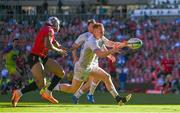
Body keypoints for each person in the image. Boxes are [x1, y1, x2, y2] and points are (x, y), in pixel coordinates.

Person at [55, 23, 132, 105]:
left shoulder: (100, 37)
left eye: (103, 31)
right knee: (72, 89)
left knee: (106, 77)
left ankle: (118, 99)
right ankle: (53, 87)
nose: (103, 33)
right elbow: (100, 54)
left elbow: (110, 43)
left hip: (91, 66)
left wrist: (125, 44)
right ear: (95, 31)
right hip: (82, 68)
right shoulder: (91, 41)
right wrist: (112, 51)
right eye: (101, 31)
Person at [11, 16, 67, 107]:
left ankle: (48, 92)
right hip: (35, 56)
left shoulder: (47, 29)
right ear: (55, 23)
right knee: (41, 83)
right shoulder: (49, 29)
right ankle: (19, 93)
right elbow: (48, 45)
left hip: (42, 56)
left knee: (60, 72)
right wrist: (59, 51)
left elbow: (53, 41)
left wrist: (60, 46)